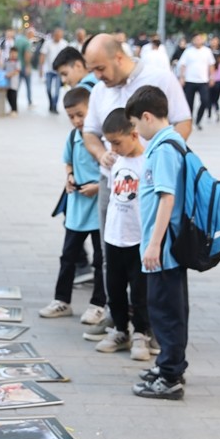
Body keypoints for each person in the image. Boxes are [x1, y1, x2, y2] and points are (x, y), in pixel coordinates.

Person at [80, 34, 192, 344]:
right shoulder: (101, 91)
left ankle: (150, 326)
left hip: (153, 186)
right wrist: (100, 153)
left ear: (118, 57)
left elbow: (182, 123)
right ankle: (120, 322)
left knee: (151, 255)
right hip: (112, 184)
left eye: (100, 68)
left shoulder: (158, 78)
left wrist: (156, 159)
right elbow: (89, 133)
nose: (97, 77)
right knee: (111, 252)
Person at [123, 86, 189, 399]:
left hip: (164, 249)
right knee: (167, 308)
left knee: (165, 312)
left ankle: (171, 376)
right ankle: (169, 366)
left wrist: (154, 244)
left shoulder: (164, 147)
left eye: (135, 124)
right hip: (165, 247)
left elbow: (166, 198)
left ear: (148, 116)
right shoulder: (169, 142)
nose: (136, 131)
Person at [39, 88, 107, 324]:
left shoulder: (104, 138)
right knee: (68, 256)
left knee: (101, 261)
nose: (77, 121)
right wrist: (69, 177)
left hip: (100, 210)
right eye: (72, 116)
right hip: (77, 208)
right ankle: (61, 300)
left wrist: (97, 187)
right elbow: (68, 162)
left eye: (81, 114)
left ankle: (99, 304)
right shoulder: (73, 137)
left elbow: (115, 171)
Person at [96, 109, 151, 360]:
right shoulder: (113, 161)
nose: (114, 148)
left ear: (134, 134)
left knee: (139, 291)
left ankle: (141, 333)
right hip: (114, 236)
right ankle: (120, 329)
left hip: (138, 238)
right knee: (115, 288)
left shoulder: (148, 161)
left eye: (117, 142)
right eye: (110, 143)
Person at [177, 33, 217, 130]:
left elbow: (211, 65)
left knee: (205, 100)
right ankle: (189, 121)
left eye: (200, 39)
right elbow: (182, 65)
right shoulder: (188, 51)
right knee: (189, 103)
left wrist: (212, 77)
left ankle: (198, 120)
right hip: (190, 80)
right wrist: (182, 77)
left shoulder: (207, 51)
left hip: (203, 80)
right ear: (193, 40)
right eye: (196, 39)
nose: (198, 41)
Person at [39, 28, 70, 114]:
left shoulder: (64, 44)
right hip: (49, 70)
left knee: (57, 91)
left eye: (59, 36)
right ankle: (51, 103)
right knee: (48, 89)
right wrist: (40, 68)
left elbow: (68, 58)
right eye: (56, 36)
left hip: (59, 72)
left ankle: (54, 106)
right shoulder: (47, 43)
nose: (57, 38)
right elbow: (42, 55)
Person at [15, 29, 33, 106]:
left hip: (17, 66)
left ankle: (14, 101)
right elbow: (27, 55)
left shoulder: (18, 40)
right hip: (24, 66)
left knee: (16, 85)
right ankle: (29, 101)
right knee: (28, 85)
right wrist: (28, 66)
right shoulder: (27, 42)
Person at [208, 53, 220, 123]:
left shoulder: (210, 66)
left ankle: (209, 115)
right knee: (216, 100)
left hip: (211, 83)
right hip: (218, 83)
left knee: (210, 100)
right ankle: (217, 112)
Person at [3, 48, 21, 116]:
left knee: (13, 97)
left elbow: (17, 71)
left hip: (14, 83)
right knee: (8, 96)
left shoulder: (17, 62)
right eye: (12, 53)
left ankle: (14, 110)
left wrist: (10, 74)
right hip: (7, 83)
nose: (13, 55)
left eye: (15, 53)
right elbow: (3, 69)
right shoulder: (7, 61)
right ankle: (11, 109)